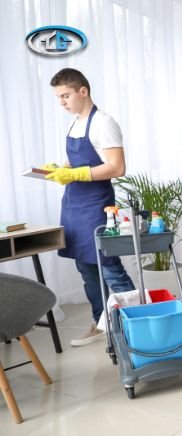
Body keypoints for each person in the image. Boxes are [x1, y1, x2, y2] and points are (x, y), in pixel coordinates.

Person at [47, 68, 136, 347]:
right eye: (58, 97)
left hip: (96, 204)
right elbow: (76, 163)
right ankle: (102, 322)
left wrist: (77, 173)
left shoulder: (103, 123)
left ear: (82, 91)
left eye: (65, 95)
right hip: (73, 204)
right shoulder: (74, 123)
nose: (61, 102)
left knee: (108, 266)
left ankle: (138, 323)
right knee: (85, 267)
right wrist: (59, 170)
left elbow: (117, 167)